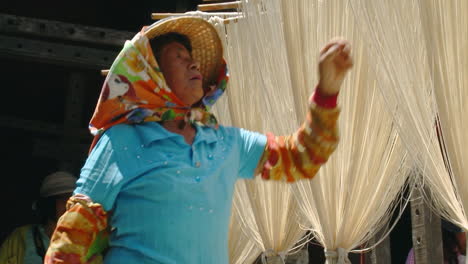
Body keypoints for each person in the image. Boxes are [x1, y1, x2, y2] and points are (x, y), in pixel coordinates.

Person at [44, 15, 353, 264]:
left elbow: (303, 158)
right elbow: (72, 237)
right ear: (153, 75)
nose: (193, 64)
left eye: (192, 57)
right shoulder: (121, 141)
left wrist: (327, 91)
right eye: (179, 58)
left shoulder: (224, 142)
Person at [0, 171, 77, 264]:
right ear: (48, 204)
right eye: (64, 199)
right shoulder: (21, 237)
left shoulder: (89, 238)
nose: (70, 204)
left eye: (75, 200)